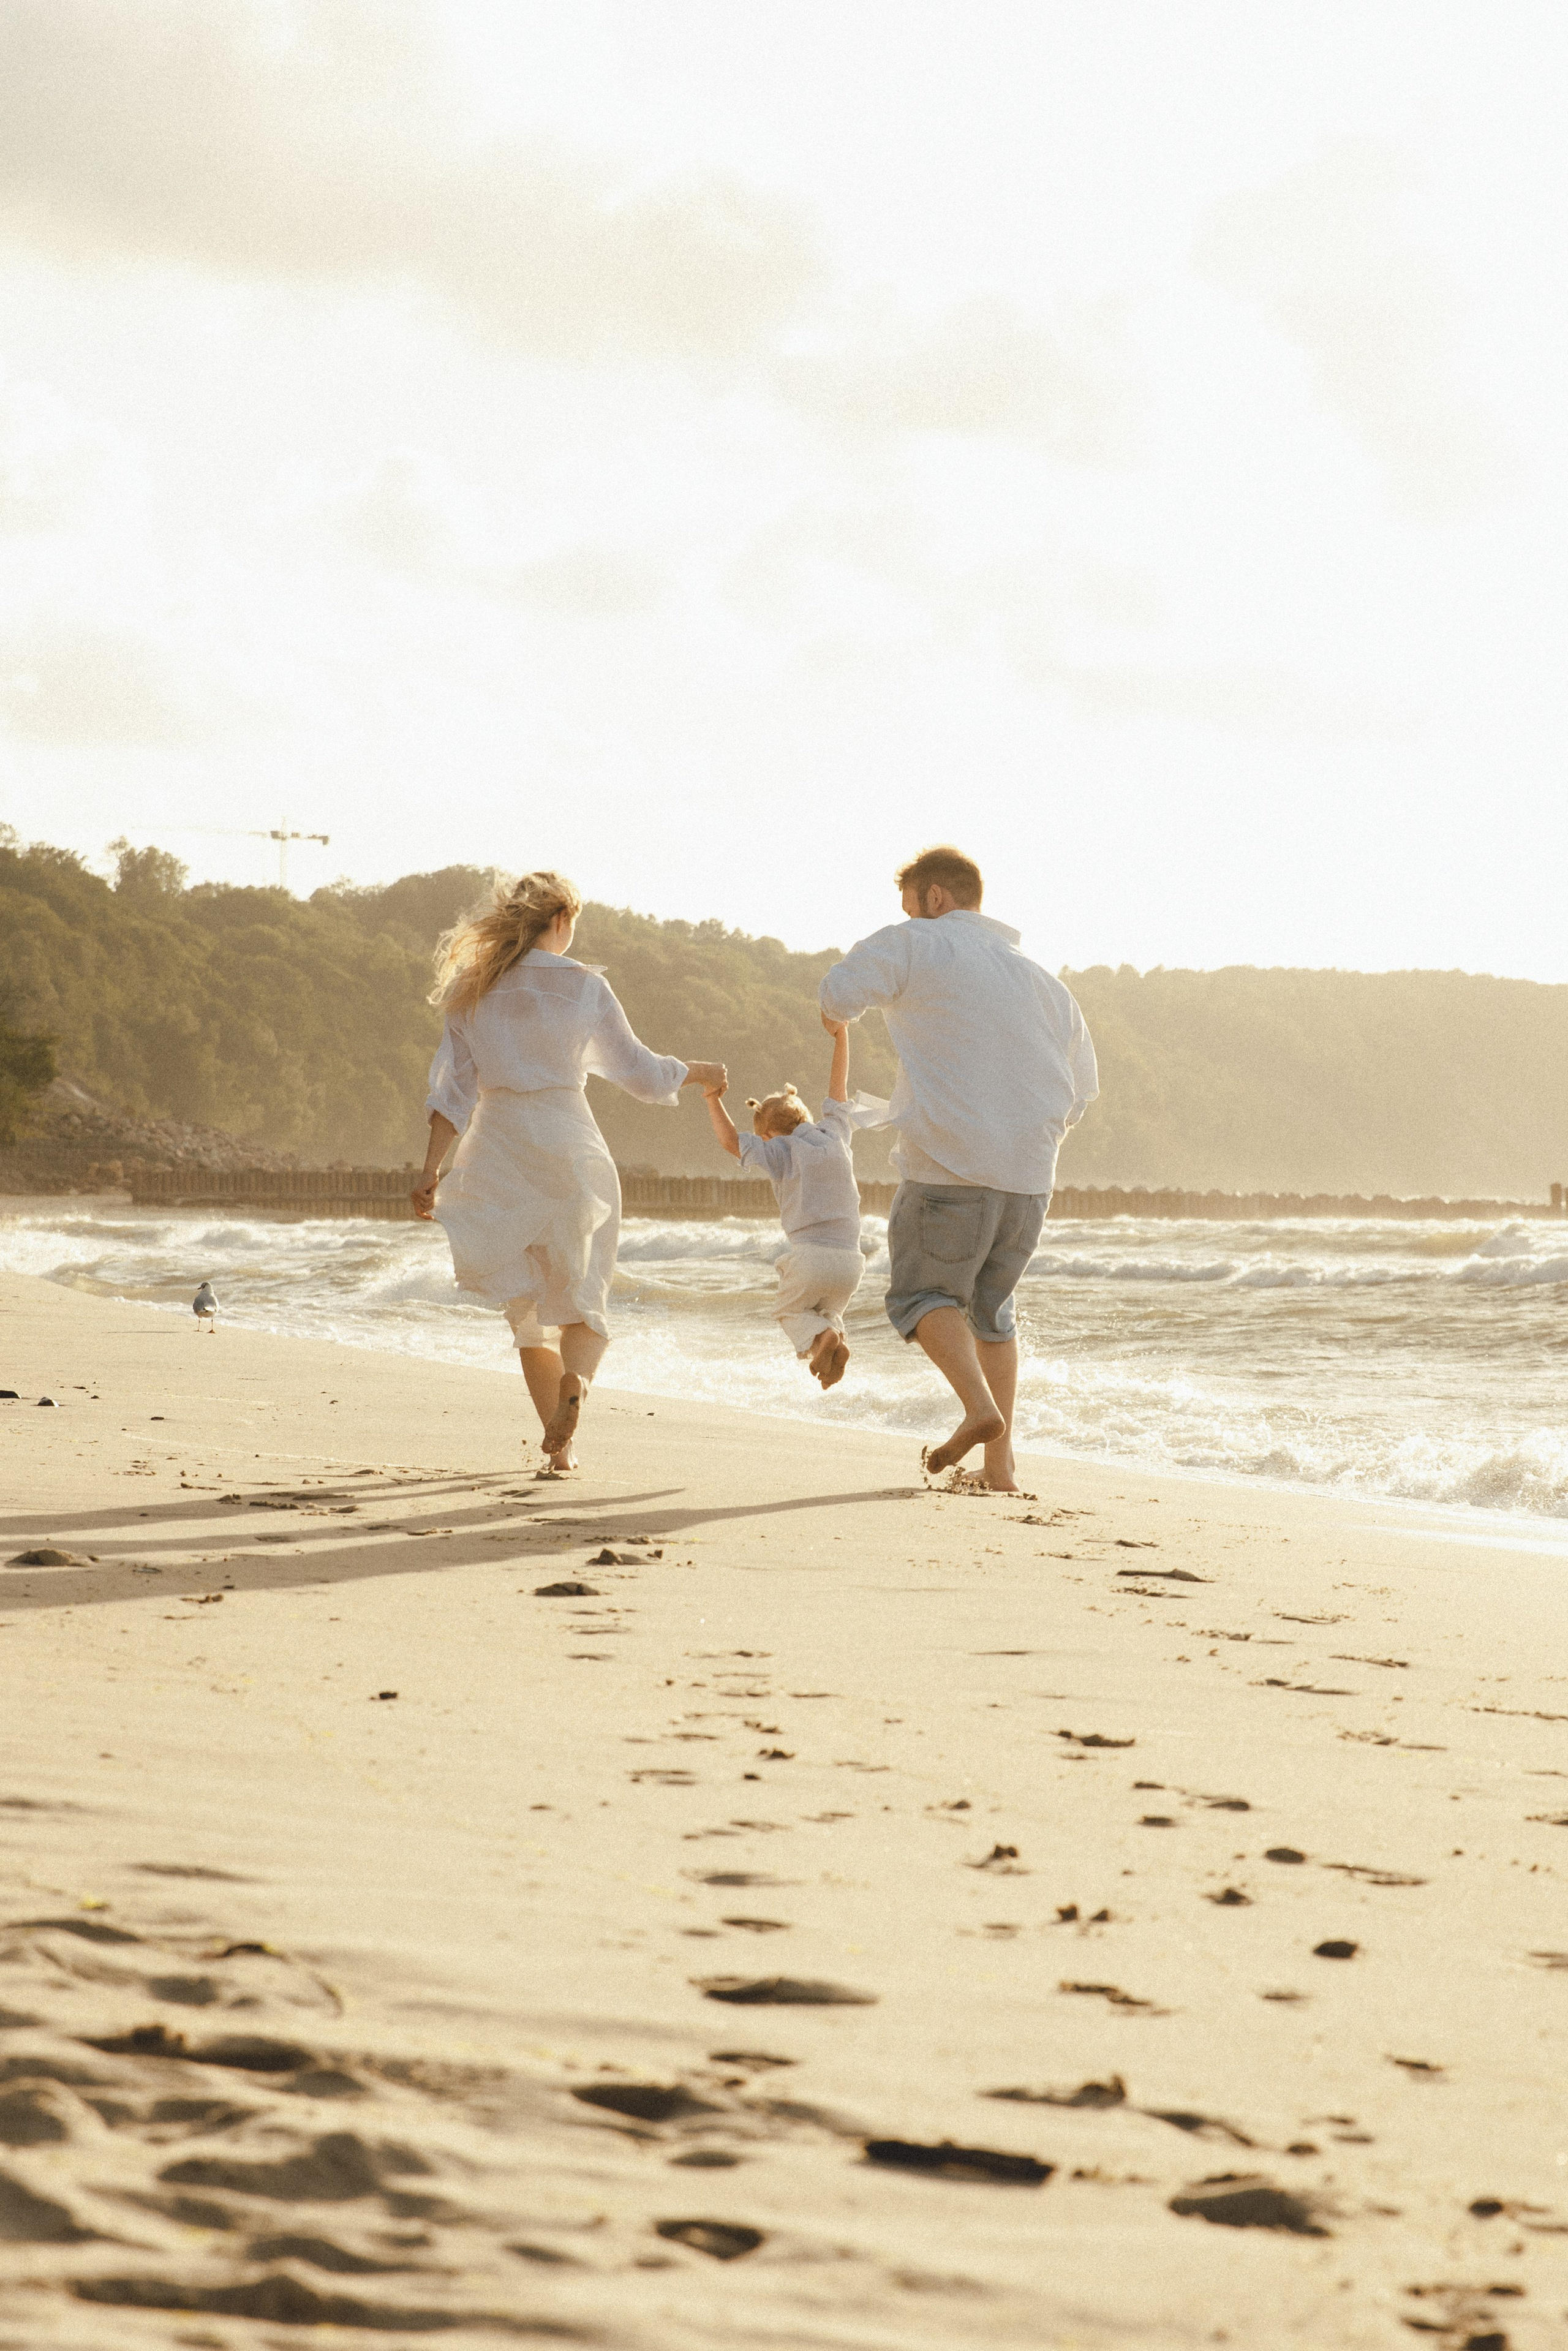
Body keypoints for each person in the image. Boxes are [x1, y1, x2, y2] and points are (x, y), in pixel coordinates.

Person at [412, 871, 724, 1471]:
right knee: (584, 1293)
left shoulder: (472, 988)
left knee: (527, 1314)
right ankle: (576, 1382)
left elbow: (453, 1092)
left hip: (498, 1146)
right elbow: (640, 1072)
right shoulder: (584, 986)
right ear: (561, 920)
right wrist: (701, 1072)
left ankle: (561, 1455)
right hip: (570, 1139)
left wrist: (430, 1171)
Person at [818, 844, 1098, 1492]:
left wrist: (835, 1019)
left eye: (910, 904)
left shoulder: (918, 942)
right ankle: (1000, 1468)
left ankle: (977, 1410)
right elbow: (1082, 1093)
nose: (908, 916)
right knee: (993, 1315)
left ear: (935, 897)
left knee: (920, 1296)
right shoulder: (1047, 983)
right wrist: (1020, 1139)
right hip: (1030, 1181)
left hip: (948, 1168)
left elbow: (837, 994)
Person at [702, 1020, 863, 1389]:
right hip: (852, 1263)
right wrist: (842, 1035)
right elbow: (838, 1088)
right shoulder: (836, 1133)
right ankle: (833, 1347)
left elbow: (731, 1142)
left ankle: (827, 1339)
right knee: (825, 1312)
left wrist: (712, 1098)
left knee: (789, 1310)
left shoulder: (780, 1149)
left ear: (768, 1134)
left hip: (811, 1257)